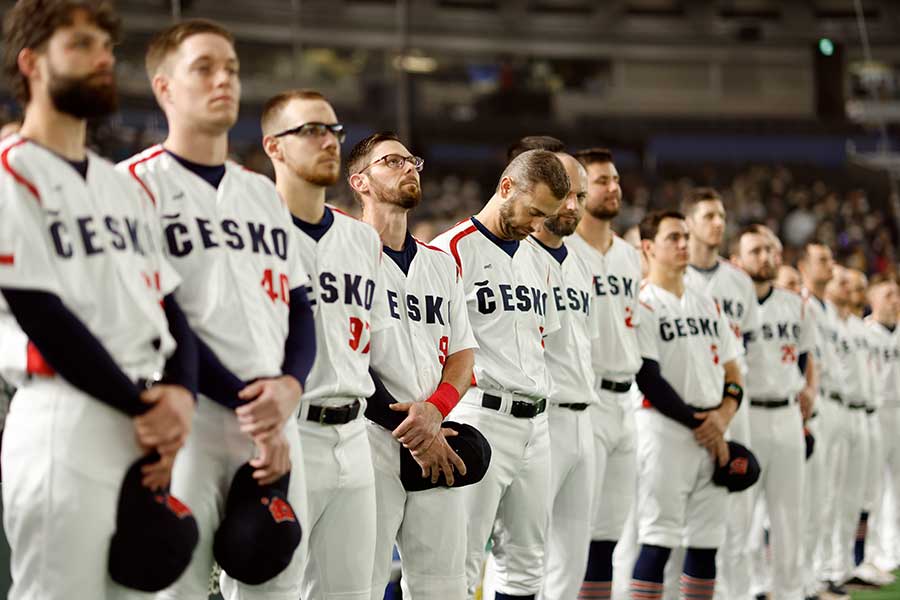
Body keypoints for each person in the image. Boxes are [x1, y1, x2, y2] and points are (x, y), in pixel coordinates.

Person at [0, 1, 196, 597]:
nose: (103, 60)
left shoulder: (121, 185)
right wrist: (150, 411)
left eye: (107, 49)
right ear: (31, 63)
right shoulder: (11, 170)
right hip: (66, 415)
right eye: (82, 45)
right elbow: (42, 314)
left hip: (144, 420)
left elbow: (169, 303)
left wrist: (181, 398)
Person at [121, 21, 314, 600]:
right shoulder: (131, 184)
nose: (223, 79)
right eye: (203, 67)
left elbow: (300, 307)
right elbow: (156, 316)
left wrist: (289, 388)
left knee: (277, 586)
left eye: (230, 67)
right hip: (191, 416)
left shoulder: (259, 192)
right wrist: (255, 406)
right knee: (177, 588)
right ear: (164, 88)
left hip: (277, 418)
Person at [260, 89, 385, 599]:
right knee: (269, 589)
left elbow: (370, 350)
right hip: (282, 434)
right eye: (310, 130)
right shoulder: (250, 228)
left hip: (353, 435)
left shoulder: (362, 240)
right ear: (274, 147)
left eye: (333, 130)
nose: (328, 141)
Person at [431, 149, 569, 599]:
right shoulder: (449, 251)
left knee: (527, 563)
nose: (536, 225)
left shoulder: (543, 261)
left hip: (537, 423)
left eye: (545, 216)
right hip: (478, 414)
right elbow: (436, 350)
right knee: (460, 561)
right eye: (534, 212)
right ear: (506, 187)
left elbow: (543, 342)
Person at [350, 131, 477, 599]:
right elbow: (343, 354)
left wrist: (435, 414)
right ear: (359, 181)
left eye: (412, 161)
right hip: (367, 436)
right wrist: (414, 429)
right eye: (392, 161)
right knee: (358, 583)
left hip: (435, 434)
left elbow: (463, 354)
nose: (409, 168)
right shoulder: (346, 252)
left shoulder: (440, 264)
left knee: (444, 587)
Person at [630, 210, 743, 600]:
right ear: (648, 247)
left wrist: (724, 416)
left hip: (713, 429)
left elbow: (733, 368)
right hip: (664, 429)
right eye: (672, 238)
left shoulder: (707, 303)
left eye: (684, 237)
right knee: (658, 537)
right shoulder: (642, 303)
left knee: (706, 539)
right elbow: (649, 378)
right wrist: (705, 425)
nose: (683, 244)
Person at [519, 148, 598, 600]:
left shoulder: (581, 262)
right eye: (566, 193)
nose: (572, 206)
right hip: (540, 418)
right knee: (524, 551)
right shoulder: (518, 255)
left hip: (583, 416)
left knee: (573, 552)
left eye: (580, 197)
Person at [566, 148, 643, 600]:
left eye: (615, 179)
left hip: (624, 398)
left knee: (610, 531)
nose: (612, 188)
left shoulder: (631, 257)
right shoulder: (562, 250)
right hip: (583, 396)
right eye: (601, 180)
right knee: (573, 531)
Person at [682, 187, 760, 600]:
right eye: (709, 215)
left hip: (732, 399)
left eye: (722, 216)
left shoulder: (739, 280)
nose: (718, 223)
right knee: (679, 511)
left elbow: (743, 344)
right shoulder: (672, 274)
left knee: (738, 505)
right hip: (687, 402)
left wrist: (730, 405)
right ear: (689, 222)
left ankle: (738, 593)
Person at [733, 225, 816, 600]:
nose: (764, 257)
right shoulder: (727, 302)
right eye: (754, 251)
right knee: (740, 514)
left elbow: (805, 355)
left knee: (788, 515)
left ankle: (790, 592)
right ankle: (743, 590)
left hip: (786, 413)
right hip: (746, 413)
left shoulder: (795, 303)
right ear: (737, 260)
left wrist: (810, 388)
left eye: (768, 250)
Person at [797, 242, 843, 599]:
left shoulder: (829, 309)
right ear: (803, 266)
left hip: (830, 407)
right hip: (808, 408)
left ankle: (816, 574)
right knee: (807, 501)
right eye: (823, 259)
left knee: (823, 498)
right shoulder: (802, 304)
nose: (831, 264)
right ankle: (802, 578)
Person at [821, 266, 869, 597]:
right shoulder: (820, 315)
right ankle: (823, 569)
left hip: (857, 410)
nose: (849, 288)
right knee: (827, 496)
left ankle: (840, 567)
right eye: (842, 282)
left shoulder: (852, 325)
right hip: (829, 405)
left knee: (849, 497)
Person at [864, 276, 900, 579]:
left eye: (897, 295)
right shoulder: (864, 332)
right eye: (888, 294)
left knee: (898, 487)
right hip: (875, 412)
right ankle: (873, 553)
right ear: (873, 299)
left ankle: (894, 551)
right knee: (873, 487)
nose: (895, 300)